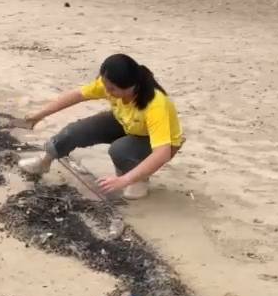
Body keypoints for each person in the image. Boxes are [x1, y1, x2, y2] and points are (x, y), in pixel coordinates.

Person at [14, 54, 183, 200]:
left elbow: (162, 153)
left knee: (119, 150)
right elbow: (77, 95)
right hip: (127, 123)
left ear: (130, 87)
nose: (107, 92)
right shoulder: (110, 84)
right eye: (105, 86)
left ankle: (137, 178)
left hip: (156, 141)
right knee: (75, 131)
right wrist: (40, 114)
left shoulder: (155, 104)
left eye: (112, 90)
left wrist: (123, 181)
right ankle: (44, 161)